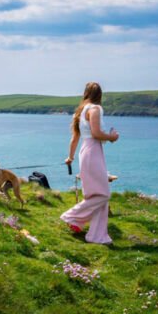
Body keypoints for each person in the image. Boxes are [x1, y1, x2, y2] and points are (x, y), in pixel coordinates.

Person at [60, 82, 120, 245]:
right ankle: (72, 216)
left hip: (85, 151)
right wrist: (112, 137)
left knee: (95, 194)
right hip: (93, 150)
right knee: (103, 194)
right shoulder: (95, 109)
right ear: (99, 95)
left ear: (85, 93)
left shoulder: (79, 112)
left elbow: (74, 139)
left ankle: (96, 235)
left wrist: (70, 157)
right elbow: (96, 133)